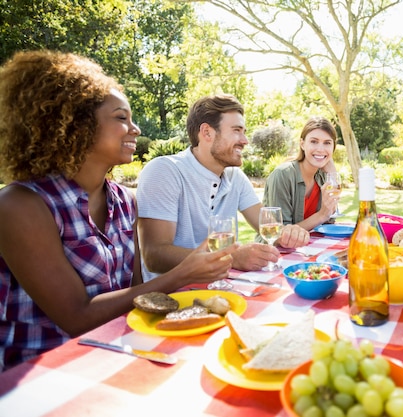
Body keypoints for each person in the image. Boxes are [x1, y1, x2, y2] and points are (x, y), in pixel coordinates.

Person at [0, 50, 237, 372]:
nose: (135, 128)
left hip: (116, 355)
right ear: (74, 125)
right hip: (43, 377)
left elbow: (140, 296)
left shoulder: (124, 200)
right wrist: (183, 274)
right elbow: (76, 318)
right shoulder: (21, 206)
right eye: (120, 118)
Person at [136, 95, 310, 280]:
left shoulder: (234, 176)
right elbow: (154, 256)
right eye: (236, 130)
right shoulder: (165, 171)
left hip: (221, 287)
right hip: (172, 295)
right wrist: (230, 257)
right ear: (207, 133)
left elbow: (265, 225)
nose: (245, 141)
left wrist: (288, 233)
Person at [261, 116, 340, 231]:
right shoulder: (282, 175)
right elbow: (280, 233)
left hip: (310, 247)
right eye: (314, 141)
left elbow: (330, 220)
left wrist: (333, 174)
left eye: (327, 143)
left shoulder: (323, 177)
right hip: (276, 248)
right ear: (302, 144)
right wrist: (322, 215)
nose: (320, 149)